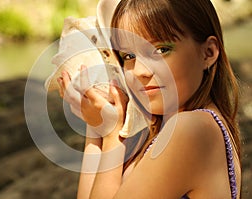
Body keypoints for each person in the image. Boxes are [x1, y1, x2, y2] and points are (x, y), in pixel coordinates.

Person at [57, 0, 241, 198]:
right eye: (128, 56)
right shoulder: (163, 130)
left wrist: (112, 138)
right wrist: (97, 126)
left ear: (208, 52)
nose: (139, 71)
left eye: (161, 50)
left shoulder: (192, 130)